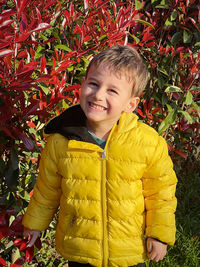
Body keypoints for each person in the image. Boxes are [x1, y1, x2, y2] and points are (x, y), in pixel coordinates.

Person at [22, 45, 177, 267]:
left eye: (112, 90)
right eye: (93, 84)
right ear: (83, 85)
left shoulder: (147, 143)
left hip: (127, 251)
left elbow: (161, 193)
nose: (98, 94)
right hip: (80, 248)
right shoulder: (61, 140)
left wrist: (159, 234)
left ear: (130, 104)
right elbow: (47, 189)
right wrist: (35, 223)